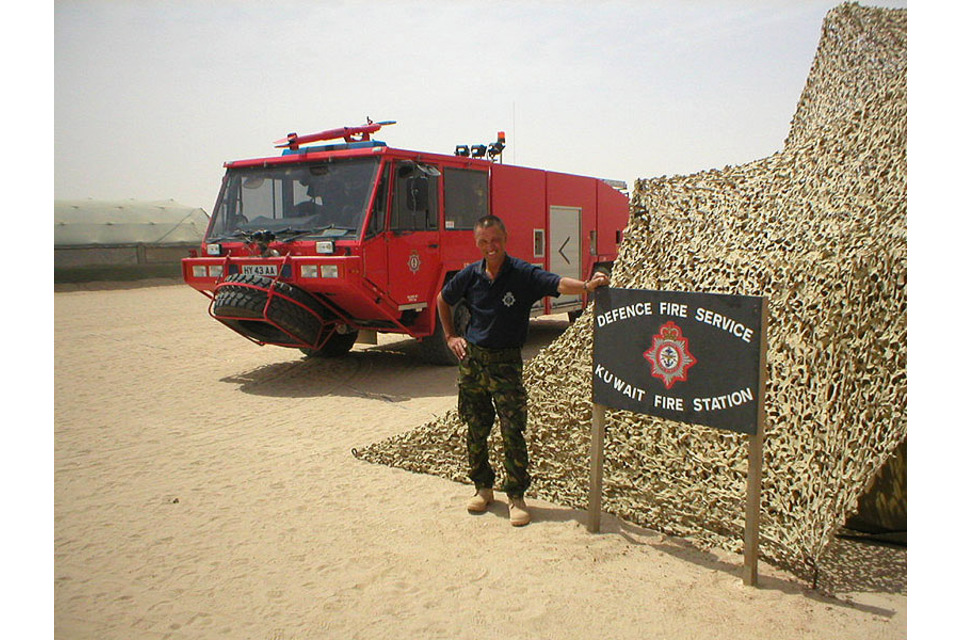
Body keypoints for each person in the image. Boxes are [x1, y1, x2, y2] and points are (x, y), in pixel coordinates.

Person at [436, 215, 610, 526]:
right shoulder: (470, 275)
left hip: (506, 365)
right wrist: (450, 336)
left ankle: (516, 496)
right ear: (477, 244)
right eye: (484, 242)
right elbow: (443, 299)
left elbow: (556, 282)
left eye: (496, 240)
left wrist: (586, 286)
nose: (491, 246)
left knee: (512, 430)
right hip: (473, 363)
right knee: (476, 429)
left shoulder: (522, 274)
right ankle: (483, 488)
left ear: (505, 238)